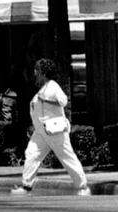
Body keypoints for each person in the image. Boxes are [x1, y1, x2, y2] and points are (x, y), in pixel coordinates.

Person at [11, 58, 90, 196]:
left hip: (55, 131)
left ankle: (82, 187)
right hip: (41, 132)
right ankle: (26, 186)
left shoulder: (53, 86)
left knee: (67, 157)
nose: (35, 73)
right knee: (32, 154)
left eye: (37, 70)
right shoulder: (43, 88)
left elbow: (63, 101)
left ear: (43, 73)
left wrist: (47, 100)